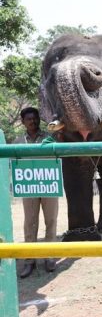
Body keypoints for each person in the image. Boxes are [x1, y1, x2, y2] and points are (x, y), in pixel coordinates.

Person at [14, 107, 58, 278]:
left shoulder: (49, 138)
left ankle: (50, 257)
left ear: (39, 119)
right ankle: (29, 260)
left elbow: (58, 155)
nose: (32, 121)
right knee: (30, 223)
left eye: (35, 118)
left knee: (51, 221)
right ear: (23, 122)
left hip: (48, 184)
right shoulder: (18, 142)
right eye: (28, 119)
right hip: (29, 186)